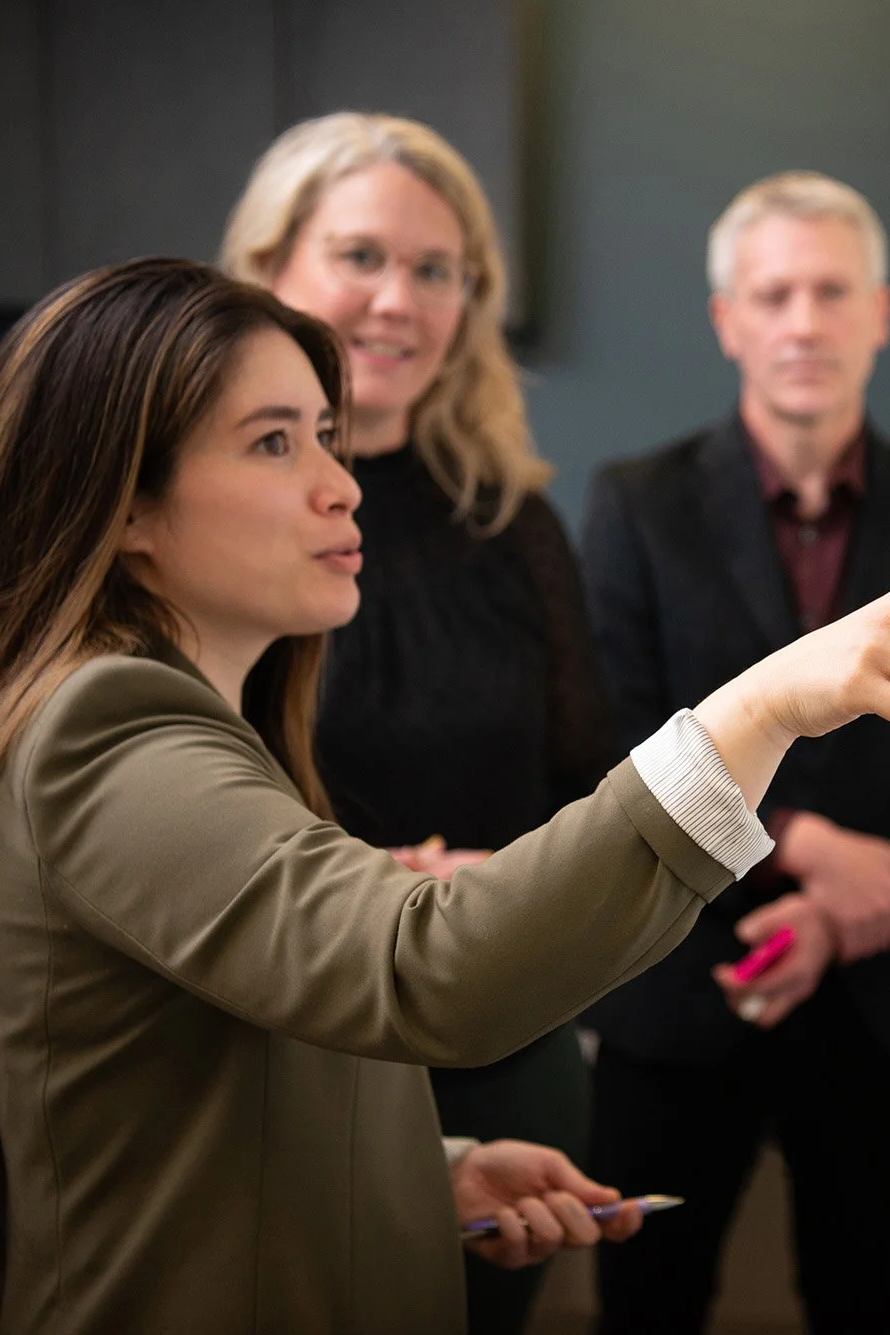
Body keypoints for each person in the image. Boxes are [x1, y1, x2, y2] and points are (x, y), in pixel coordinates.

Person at [0, 257, 890, 1335]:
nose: (342, 486)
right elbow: (425, 969)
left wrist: (423, 1176)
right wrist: (762, 706)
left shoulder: (182, 724)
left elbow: (203, 1089)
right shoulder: (106, 729)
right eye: (275, 443)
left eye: (327, 437)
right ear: (122, 503)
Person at [581, 172, 890, 1334]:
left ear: (879, 313)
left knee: (869, 1297)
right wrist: (811, 850)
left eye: (831, 291)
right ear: (727, 320)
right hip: (681, 975)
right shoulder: (635, 507)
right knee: (649, 1302)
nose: (803, 322)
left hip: (878, 986)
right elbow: (612, 742)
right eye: (772, 293)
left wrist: (837, 908)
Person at [219, 112, 606, 1335]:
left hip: (502, 1035)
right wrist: (373, 886)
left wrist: (508, 880)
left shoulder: (516, 523)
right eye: (361, 256)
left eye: (436, 271)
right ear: (269, 272)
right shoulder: (207, 522)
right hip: (283, 1056)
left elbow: (584, 778)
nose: (399, 301)